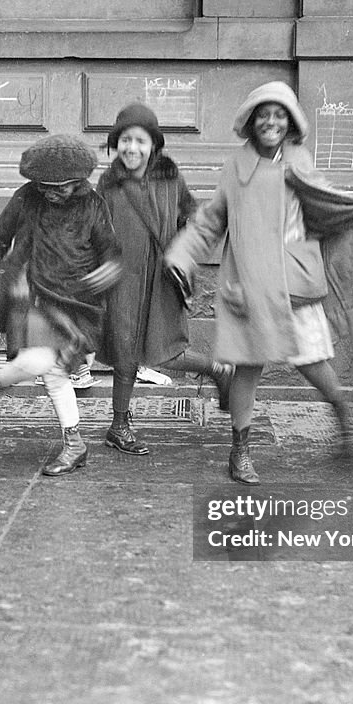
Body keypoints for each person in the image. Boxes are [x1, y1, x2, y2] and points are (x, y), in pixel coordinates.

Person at [166, 81, 353, 485]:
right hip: (250, 286)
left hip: (296, 283)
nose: (271, 122)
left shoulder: (300, 161)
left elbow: (328, 202)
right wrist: (182, 252)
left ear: (290, 121)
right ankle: (239, 451)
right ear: (252, 120)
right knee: (247, 368)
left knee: (312, 361)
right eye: (264, 114)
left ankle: (343, 413)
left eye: (279, 115)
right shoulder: (235, 167)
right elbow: (210, 220)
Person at [0, 134, 121, 476]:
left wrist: (109, 272)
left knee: (42, 365)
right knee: (49, 369)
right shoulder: (26, 199)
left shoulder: (93, 205)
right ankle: (74, 443)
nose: (52, 192)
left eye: (61, 187)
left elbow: (111, 252)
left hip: (78, 304)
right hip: (35, 298)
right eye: (44, 186)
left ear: (79, 182)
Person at [97, 103, 232, 455]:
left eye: (140, 141)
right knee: (125, 351)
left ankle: (216, 369)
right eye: (125, 140)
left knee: (165, 351)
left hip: (161, 281)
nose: (131, 148)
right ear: (116, 143)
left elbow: (194, 217)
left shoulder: (171, 179)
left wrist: (182, 253)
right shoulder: (107, 184)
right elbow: (95, 230)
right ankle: (119, 425)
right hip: (122, 283)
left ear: (153, 145)